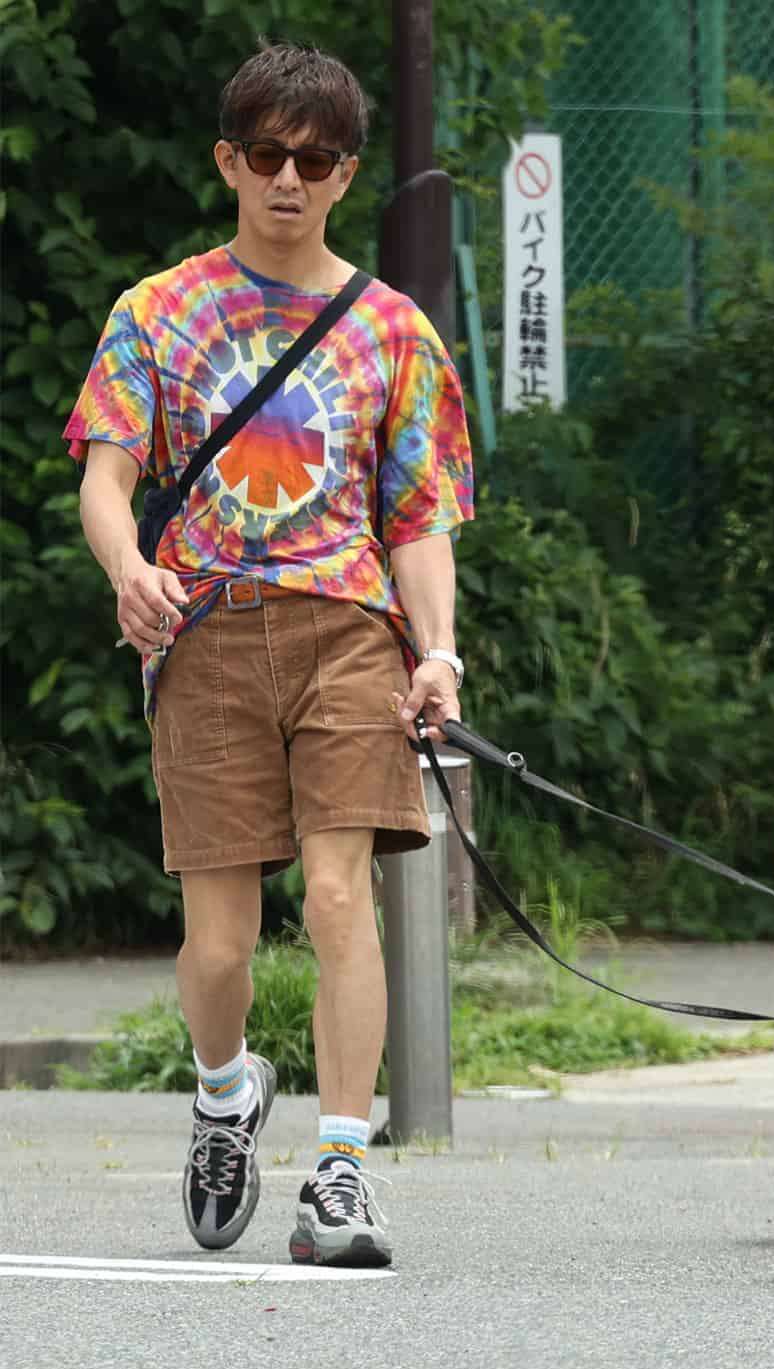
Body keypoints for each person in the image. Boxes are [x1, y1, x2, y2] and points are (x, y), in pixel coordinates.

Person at [65, 40, 474, 1269]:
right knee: (220, 941)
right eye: (266, 154)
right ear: (228, 162)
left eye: (315, 159)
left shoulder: (395, 331)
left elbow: (419, 518)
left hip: (350, 628)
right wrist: (130, 570)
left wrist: (440, 651)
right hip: (207, 629)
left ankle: (342, 1169)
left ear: (347, 174)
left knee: (341, 895)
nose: (288, 179)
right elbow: (106, 478)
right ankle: (225, 1088)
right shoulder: (157, 310)